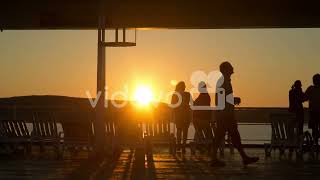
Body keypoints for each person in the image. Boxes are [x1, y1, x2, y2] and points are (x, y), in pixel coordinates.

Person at [211, 61, 259, 167]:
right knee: (233, 136)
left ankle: (214, 158)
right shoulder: (223, 82)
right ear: (226, 70)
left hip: (223, 114)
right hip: (225, 114)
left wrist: (232, 100)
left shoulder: (224, 81)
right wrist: (234, 99)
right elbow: (222, 99)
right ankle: (244, 158)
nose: (233, 67)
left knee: (221, 136)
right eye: (230, 66)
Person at [171, 81, 192, 153]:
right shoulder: (187, 94)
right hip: (184, 115)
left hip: (181, 115)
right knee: (183, 131)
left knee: (180, 130)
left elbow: (173, 105)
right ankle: (182, 146)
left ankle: (180, 146)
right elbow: (188, 103)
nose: (185, 87)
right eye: (184, 86)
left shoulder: (176, 95)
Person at [193, 81, 214, 151]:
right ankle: (203, 143)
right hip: (205, 118)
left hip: (201, 119)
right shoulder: (206, 96)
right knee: (204, 131)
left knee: (199, 129)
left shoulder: (202, 96)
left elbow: (196, 104)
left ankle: (201, 143)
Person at [305, 74, 320, 150]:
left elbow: (304, 98)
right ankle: (316, 144)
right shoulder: (310, 89)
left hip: (313, 112)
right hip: (314, 113)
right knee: (315, 129)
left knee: (314, 129)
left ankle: (316, 144)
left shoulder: (310, 89)